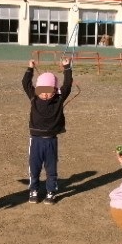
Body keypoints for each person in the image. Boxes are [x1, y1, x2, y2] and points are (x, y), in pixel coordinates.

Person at [22, 58, 73, 205]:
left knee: (51, 169)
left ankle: (51, 192)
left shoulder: (59, 99)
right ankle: (33, 190)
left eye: (49, 91)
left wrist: (67, 67)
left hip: (51, 141)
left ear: (55, 90)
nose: (45, 94)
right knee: (34, 168)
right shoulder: (33, 97)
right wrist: (30, 68)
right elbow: (25, 83)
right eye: (42, 91)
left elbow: (67, 85)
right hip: (35, 140)